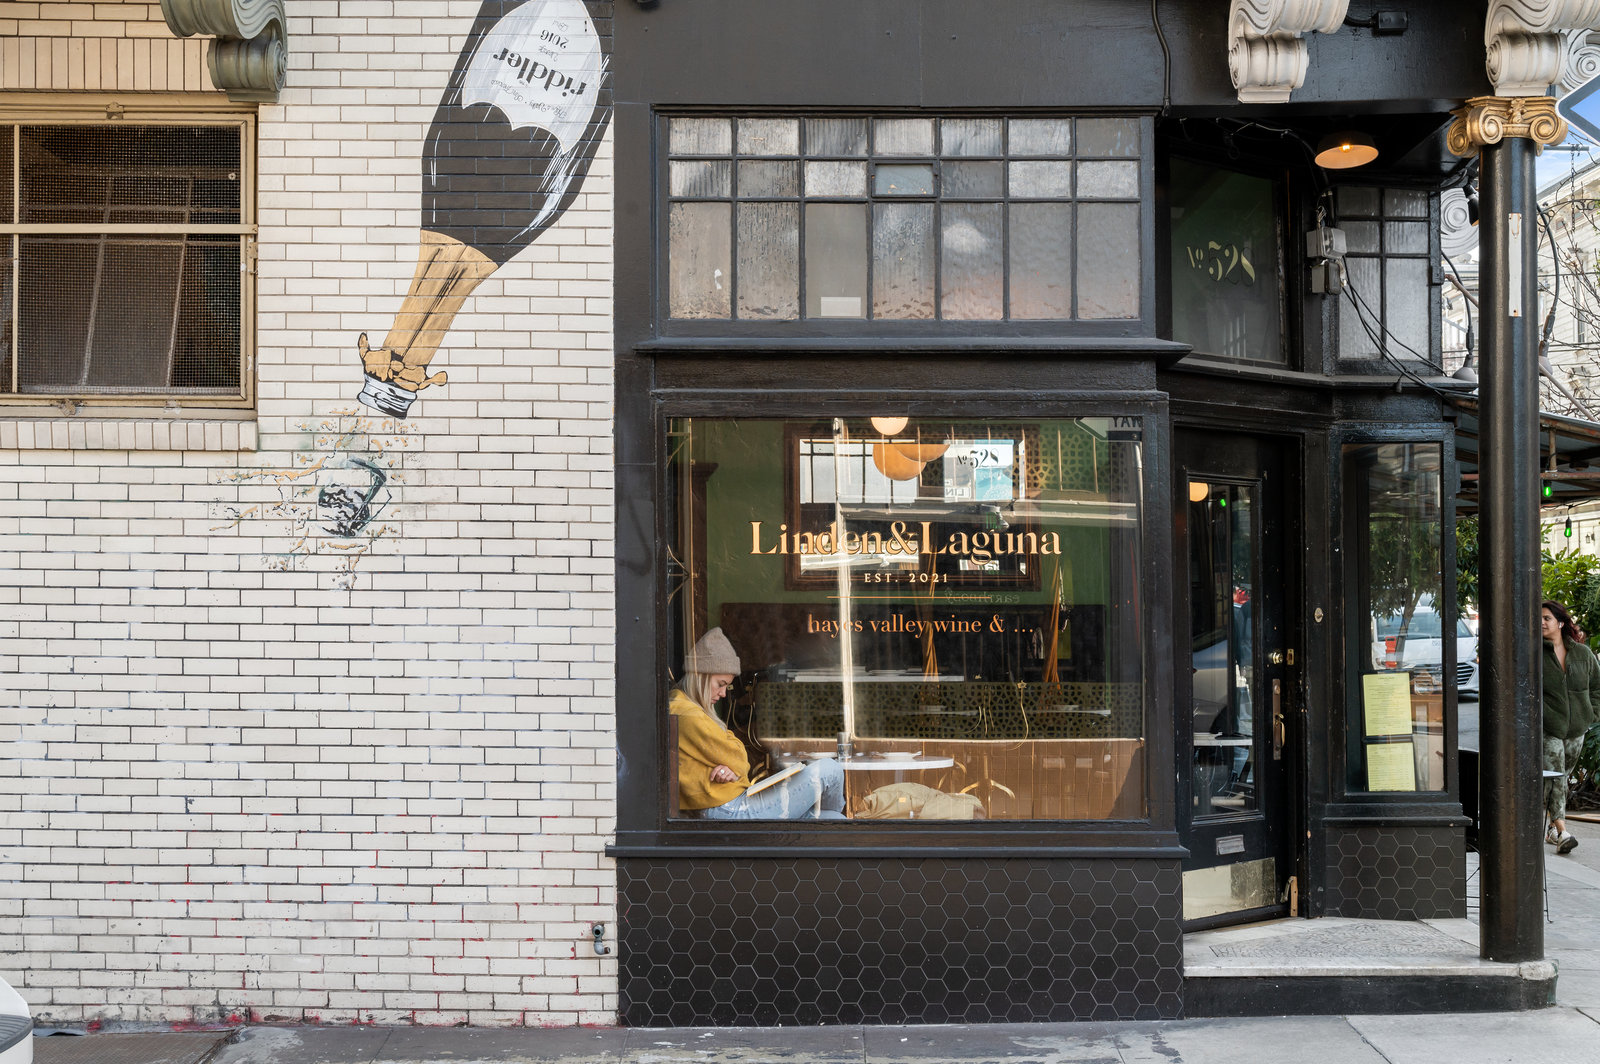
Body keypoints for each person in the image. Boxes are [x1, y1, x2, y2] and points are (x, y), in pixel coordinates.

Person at [671, 628, 846, 819]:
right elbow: (739, 758)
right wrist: (733, 765)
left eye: (727, 686)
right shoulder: (687, 714)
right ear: (701, 677)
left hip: (729, 802)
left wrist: (730, 768)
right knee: (830, 769)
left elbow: (732, 752)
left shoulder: (685, 707)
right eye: (720, 684)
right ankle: (826, 830)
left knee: (835, 819)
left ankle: (828, 828)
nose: (723, 694)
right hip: (729, 808)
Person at [1541, 600, 1599, 855]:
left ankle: (1551, 829)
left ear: (1561, 623)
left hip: (1577, 728)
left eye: (1547, 618)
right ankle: (1563, 832)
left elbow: (1597, 686)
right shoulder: (1534, 654)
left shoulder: (1582, 654)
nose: (1542, 623)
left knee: (1561, 779)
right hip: (1549, 727)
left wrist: (1591, 714)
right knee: (1555, 776)